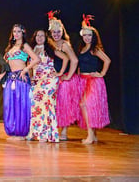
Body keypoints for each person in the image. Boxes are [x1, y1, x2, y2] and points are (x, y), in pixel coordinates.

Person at [26, 30, 69, 143]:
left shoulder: (49, 49)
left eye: (42, 36)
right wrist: (31, 77)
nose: (39, 38)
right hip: (37, 81)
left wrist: (60, 73)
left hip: (49, 80)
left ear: (46, 37)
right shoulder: (33, 49)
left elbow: (66, 58)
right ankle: (36, 132)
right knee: (36, 106)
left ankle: (46, 134)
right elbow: (30, 66)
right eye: (37, 35)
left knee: (47, 105)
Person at [77, 15, 111, 144]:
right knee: (86, 106)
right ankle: (93, 135)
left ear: (93, 36)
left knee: (85, 105)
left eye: (89, 35)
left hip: (93, 81)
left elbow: (107, 60)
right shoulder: (82, 48)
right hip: (83, 80)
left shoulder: (94, 49)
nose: (87, 38)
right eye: (85, 35)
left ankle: (90, 135)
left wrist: (101, 73)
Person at [47, 11, 80, 141]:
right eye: (54, 32)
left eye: (58, 32)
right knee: (54, 105)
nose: (56, 35)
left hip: (64, 79)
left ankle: (64, 131)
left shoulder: (65, 44)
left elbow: (75, 60)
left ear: (62, 32)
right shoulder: (49, 44)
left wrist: (67, 75)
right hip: (53, 78)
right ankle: (53, 129)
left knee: (64, 106)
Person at [3, 24, 40, 140]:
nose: (16, 34)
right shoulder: (10, 47)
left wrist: (25, 70)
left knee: (21, 105)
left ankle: (21, 132)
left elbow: (36, 59)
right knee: (10, 105)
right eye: (14, 31)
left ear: (23, 33)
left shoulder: (25, 46)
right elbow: (6, 63)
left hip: (21, 78)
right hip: (11, 78)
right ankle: (13, 131)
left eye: (19, 31)